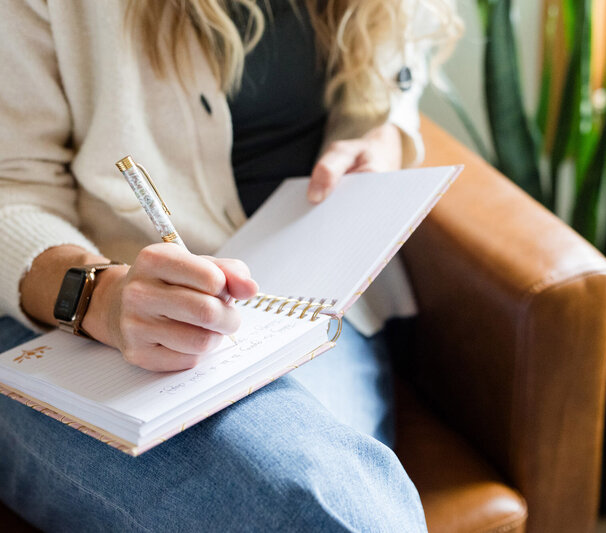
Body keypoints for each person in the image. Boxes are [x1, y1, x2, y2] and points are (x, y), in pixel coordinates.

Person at [0, 0, 461, 530]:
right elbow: (12, 190)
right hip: (75, 325)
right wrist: (101, 299)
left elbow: (399, 63)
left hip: (309, 302)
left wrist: (381, 135)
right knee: (317, 499)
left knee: (335, 493)